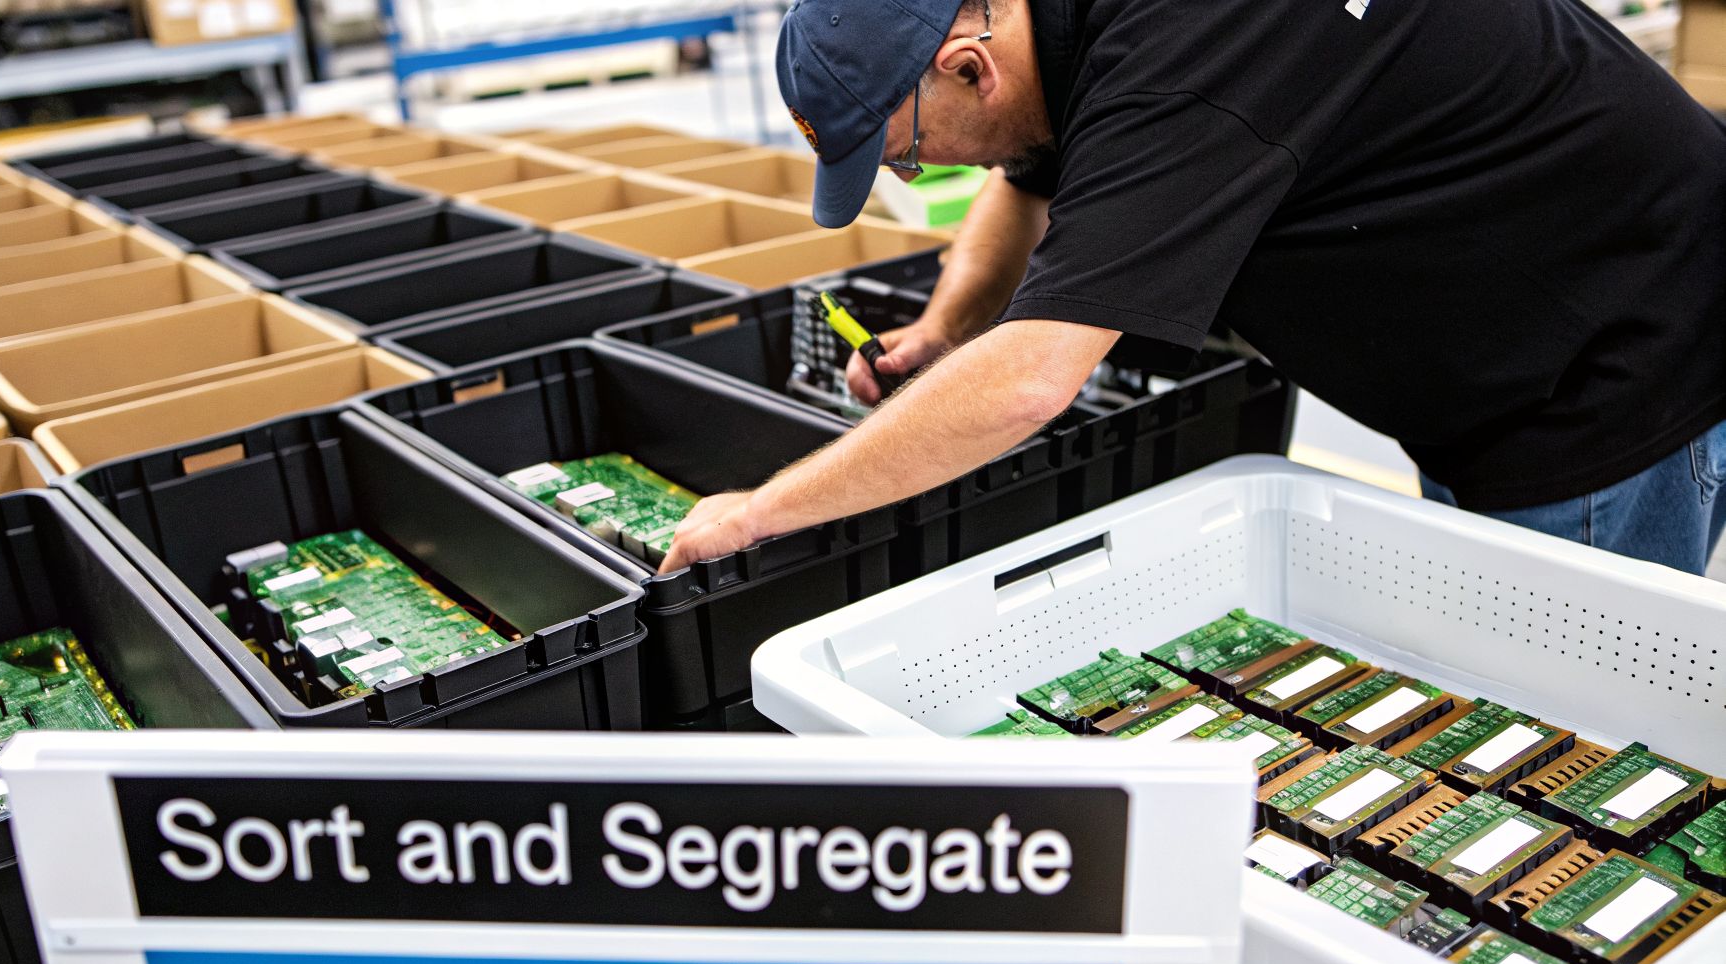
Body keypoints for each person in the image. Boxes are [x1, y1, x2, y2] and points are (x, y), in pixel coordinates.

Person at [659, 0, 1726, 576]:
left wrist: (759, 513)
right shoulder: (1055, 31)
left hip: (1608, 353)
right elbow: (1026, 177)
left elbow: (1032, 382)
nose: (920, 174)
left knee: (1565, 730)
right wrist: (945, 330)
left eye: (906, 150)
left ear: (968, 68)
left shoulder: (1182, 69)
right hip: (1505, 332)